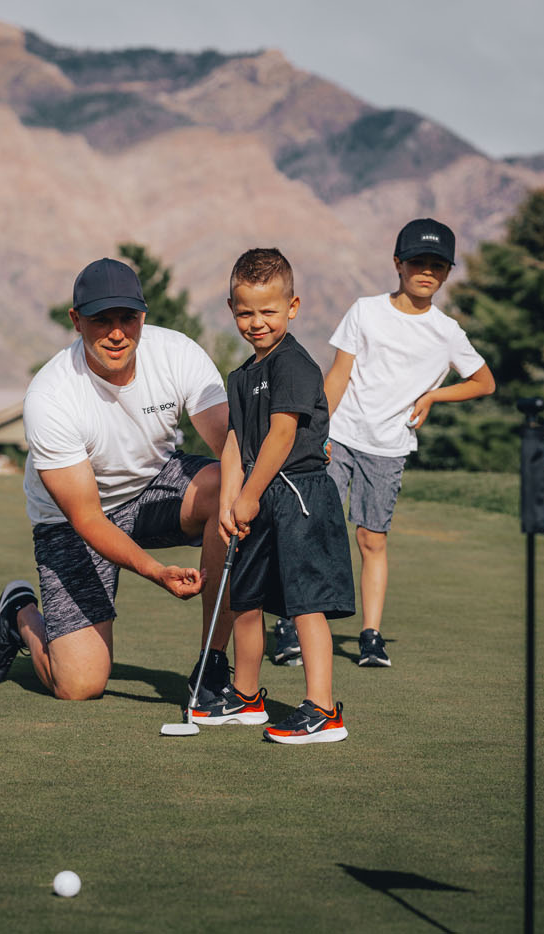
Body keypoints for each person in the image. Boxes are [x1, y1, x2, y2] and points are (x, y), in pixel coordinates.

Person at [0, 257, 233, 700]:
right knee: (79, 685)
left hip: (154, 486)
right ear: (76, 321)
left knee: (231, 488)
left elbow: (230, 444)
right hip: (73, 521)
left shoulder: (178, 353)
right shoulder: (50, 396)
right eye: (101, 320)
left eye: (127, 318)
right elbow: (89, 519)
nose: (116, 333)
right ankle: (20, 613)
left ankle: (212, 663)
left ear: (143, 316)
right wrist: (156, 571)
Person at [324, 218, 495, 667]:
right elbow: (338, 376)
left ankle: (370, 635)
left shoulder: (447, 332)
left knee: (371, 539)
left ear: (447, 273)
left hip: (389, 447)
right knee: (318, 532)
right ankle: (293, 623)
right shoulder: (364, 310)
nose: (426, 271)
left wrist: (435, 394)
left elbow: (484, 382)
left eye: (437, 265)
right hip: (340, 436)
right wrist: (315, 432)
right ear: (398, 263)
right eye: (417, 261)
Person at [205, 248, 354, 743]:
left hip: (299, 496)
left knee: (304, 603)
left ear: (292, 307)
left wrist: (248, 495)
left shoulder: (294, 363)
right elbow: (235, 440)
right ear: (231, 309)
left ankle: (322, 709)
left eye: (268, 311)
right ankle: (246, 697)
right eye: (245, 312)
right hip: (257, 496)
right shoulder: (242, 375)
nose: (256, 322)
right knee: (246, 599)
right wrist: (231, 498)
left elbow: (281, 436)